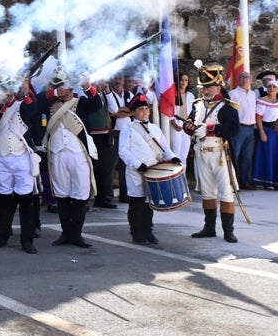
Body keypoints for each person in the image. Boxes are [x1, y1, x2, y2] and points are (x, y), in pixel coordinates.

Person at [183, 64, 241, 243]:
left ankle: (228, 231)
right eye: (203, 87)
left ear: (218, 86)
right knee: (208, 193)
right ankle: (209, 228)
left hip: (219, 154)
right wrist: (189, 127)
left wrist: (208, 129)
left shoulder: (228, 106)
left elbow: (233, 129)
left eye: (208, 87)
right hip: (201, 153)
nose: (205, 90)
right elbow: (190, 124)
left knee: (225, 192)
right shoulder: (197, 104)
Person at [40, 71, 98, 248]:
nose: (61, 89)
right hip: (58, 154)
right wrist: (57, 93)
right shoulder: (50, 104)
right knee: (62, 194)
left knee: (80, 195)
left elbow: (97, 104)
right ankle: (66, 233)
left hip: (78, 153)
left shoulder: (81, 102)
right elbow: (37, 102)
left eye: (63, 86)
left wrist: (87, 86)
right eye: (57, 86)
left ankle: (76, 234)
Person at [0, 78, 40, 254]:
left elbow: (32, 111)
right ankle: (2, 235)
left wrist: (24, 91)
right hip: (2, 157)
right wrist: (0, 107)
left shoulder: (23, 104)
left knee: (25, 201)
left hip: (21, 157)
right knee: (4, 199)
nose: (4, 94)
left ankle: (27, 239)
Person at [119, 93, 180, 245]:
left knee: (149, 204)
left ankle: (148, 231)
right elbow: (123, 151)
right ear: (133, 112)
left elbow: (165, 147)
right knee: (136, 204)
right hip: (136, 172)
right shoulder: (128, 129)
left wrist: (173, 157)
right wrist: (137, 163)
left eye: (147, 109)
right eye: (141, 109)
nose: (145, 112)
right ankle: (136, 232)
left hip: (153, 171)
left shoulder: (155, 129)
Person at [79, 76, 118, 208]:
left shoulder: (102, 95)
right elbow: (95, 107)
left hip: (105, 136)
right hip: (92, 135)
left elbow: (114, 110)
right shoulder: (84, 95)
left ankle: (105, 198)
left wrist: (107, 91)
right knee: (91, 168)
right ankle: (88, 197)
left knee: (105, 169)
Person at [252, 79, 278, 190]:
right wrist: (262, 132)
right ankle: (266, 181)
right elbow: (258, 118)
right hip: (268, 131)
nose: (271, 89)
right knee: (268, 156)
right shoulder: (262, 101)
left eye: (274, 87)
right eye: (269, 86)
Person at [228, 71, 258, 190]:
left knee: (247, 157)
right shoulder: (233, 94)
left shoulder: (253, 94)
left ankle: (245, 181)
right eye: (243, 77)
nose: (245, 79)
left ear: (251, 80)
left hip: (251, 128)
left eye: (248, 77)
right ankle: (232, 182)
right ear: (239, 79)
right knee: (235, 155)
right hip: (239, 128)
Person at [168, 72, 196, 184]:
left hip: (186, 126)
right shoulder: (173, 94)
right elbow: (169, 111)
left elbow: (194, 112)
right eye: (182, 80)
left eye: (186, 80)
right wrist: (175, 124)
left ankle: (182, 180)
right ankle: (175, 180)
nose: (183, 82)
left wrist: (191, 126)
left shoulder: (190, 96)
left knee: (184, 155)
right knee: (176, 153)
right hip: (176, 125)